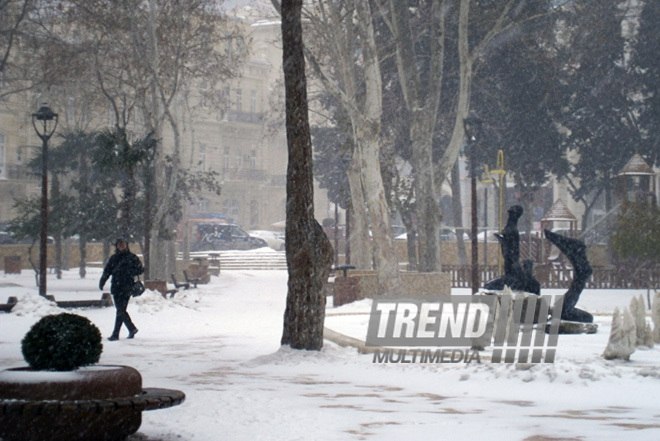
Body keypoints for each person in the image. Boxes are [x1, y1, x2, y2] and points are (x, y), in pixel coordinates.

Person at [99, 238, 144, 341]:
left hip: (127, 286)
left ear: (127, 245)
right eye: (119, 245)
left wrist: (129, 271)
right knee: (121, 310)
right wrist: (102, 281)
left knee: (120, 310)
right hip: (116, 286)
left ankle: (121, 332)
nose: (121, 246)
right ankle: (128, 330)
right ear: (116, 246)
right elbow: (107, 271)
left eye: (123, 245)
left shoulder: (132, 257)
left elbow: (140, 269)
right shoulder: (114, 258)